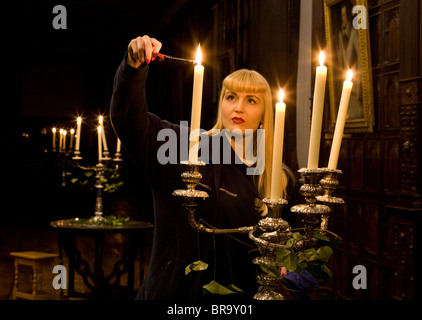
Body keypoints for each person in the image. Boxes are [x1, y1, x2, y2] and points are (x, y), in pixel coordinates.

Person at [110, 35, 296, 300]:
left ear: (266, 114)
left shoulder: (276, 179)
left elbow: (277, 251)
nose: (238, 107)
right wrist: (133, 67)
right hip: (176, 296)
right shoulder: (182, 147)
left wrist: (285, 265)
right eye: (231, 97)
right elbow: (127, 119)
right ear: (221, 104)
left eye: (251, 100)